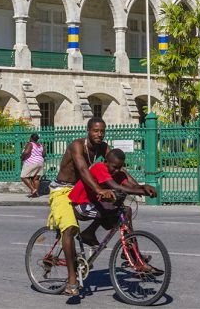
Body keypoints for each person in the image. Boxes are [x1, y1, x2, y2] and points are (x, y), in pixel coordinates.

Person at [47, 117, 115, 296]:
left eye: (102, 131)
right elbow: (84, 170)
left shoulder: (102, 147)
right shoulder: (76, 146)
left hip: (80, 189)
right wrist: (100, 189)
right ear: (88, 130)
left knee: (117, 210)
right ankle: (71, 280)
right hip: (62, 190)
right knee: (69, 229)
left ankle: (131, 254)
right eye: (95, 131)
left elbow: (116, 164)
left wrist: (138, 187)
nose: (99, 134)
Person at [68, 148, 156, 255]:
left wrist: (143, 187)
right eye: (114, 167)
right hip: (80, 205)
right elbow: (116, 186)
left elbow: (131, 186)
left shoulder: (117, 173)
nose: (117, 171)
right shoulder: (99, 168)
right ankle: (89, 234)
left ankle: (129, 249)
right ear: (106, 162)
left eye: (120, 168)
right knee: (110, 212)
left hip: (93, 203)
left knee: (125, 210)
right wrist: (141, 191)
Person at [20, 133, 45, 198]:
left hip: (31, 162)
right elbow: (44, 154)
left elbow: (26, 152)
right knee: (36, 179)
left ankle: (33, 189)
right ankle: (35, 194)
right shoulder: (41, 145)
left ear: (31, 138)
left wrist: (22, 157)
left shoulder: (30, 144)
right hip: (40, 162)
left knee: (23, 177)